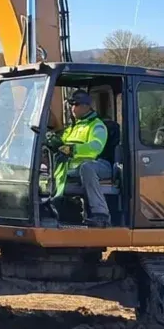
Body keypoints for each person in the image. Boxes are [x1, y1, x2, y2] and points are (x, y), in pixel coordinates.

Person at [48, 90, 112, 227]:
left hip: (100, 165)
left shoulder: (97, 125)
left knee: (86, 168)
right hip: (74, 168)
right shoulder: (73, 127)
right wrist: (53, 141)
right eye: (71, 105)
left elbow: (96, 146)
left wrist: (73, 149)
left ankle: (101, 214)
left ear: (86, 106)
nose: (72, 108)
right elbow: (62, 141)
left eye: (75, 104)